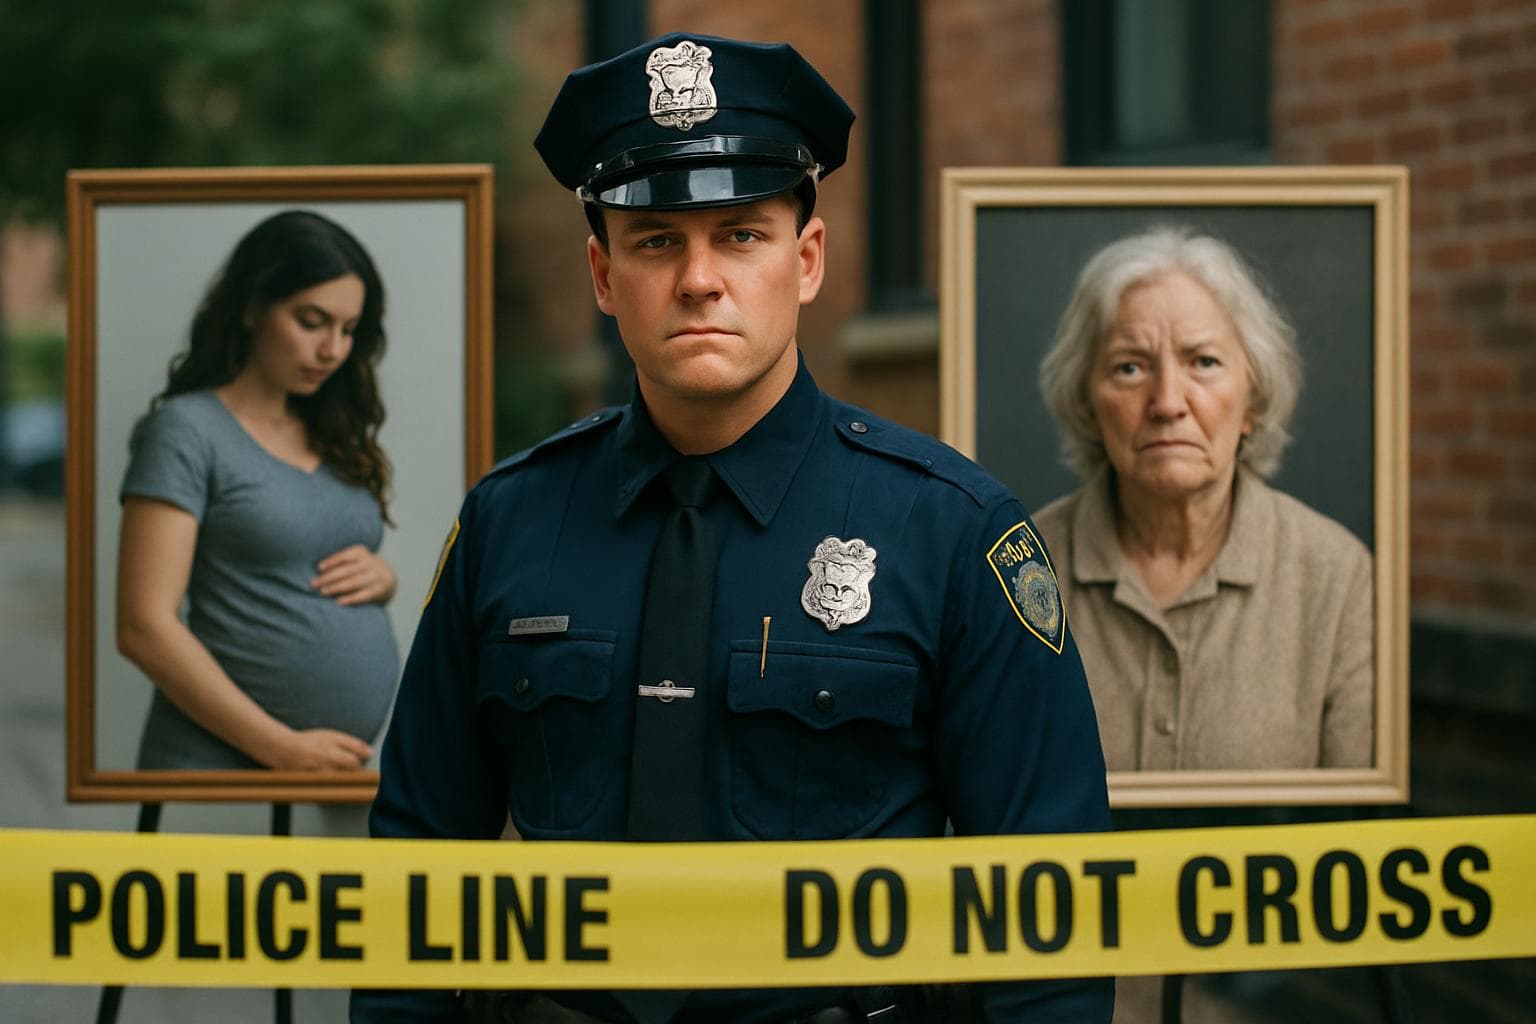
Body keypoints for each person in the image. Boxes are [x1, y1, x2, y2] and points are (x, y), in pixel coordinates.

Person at [353, 32, 1111, 1023]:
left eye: (740, 235)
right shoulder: (512, 522)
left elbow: (1044, 905)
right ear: (601, 272)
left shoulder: (950, 531)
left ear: (807, 260)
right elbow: (417, 860)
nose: (699, 278)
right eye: (657, 240)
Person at [1034, 225, 1374, 773]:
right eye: (1130, 367)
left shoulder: (1339, 577)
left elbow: (1361, 828)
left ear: (1253, 401)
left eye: (1204, 362)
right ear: (1086, 401)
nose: (1168, 403)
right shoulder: (1021, 570)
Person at [117, 209, 400, 771]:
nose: (333, 350)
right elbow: (143, 626)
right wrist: (281, 747)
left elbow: (295, 564)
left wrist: (383, 580)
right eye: (312, 320)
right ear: (250, 308)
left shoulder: (334, 433)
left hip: (332, 777)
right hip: (218, 776)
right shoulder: (186, 432)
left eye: (348, 330)